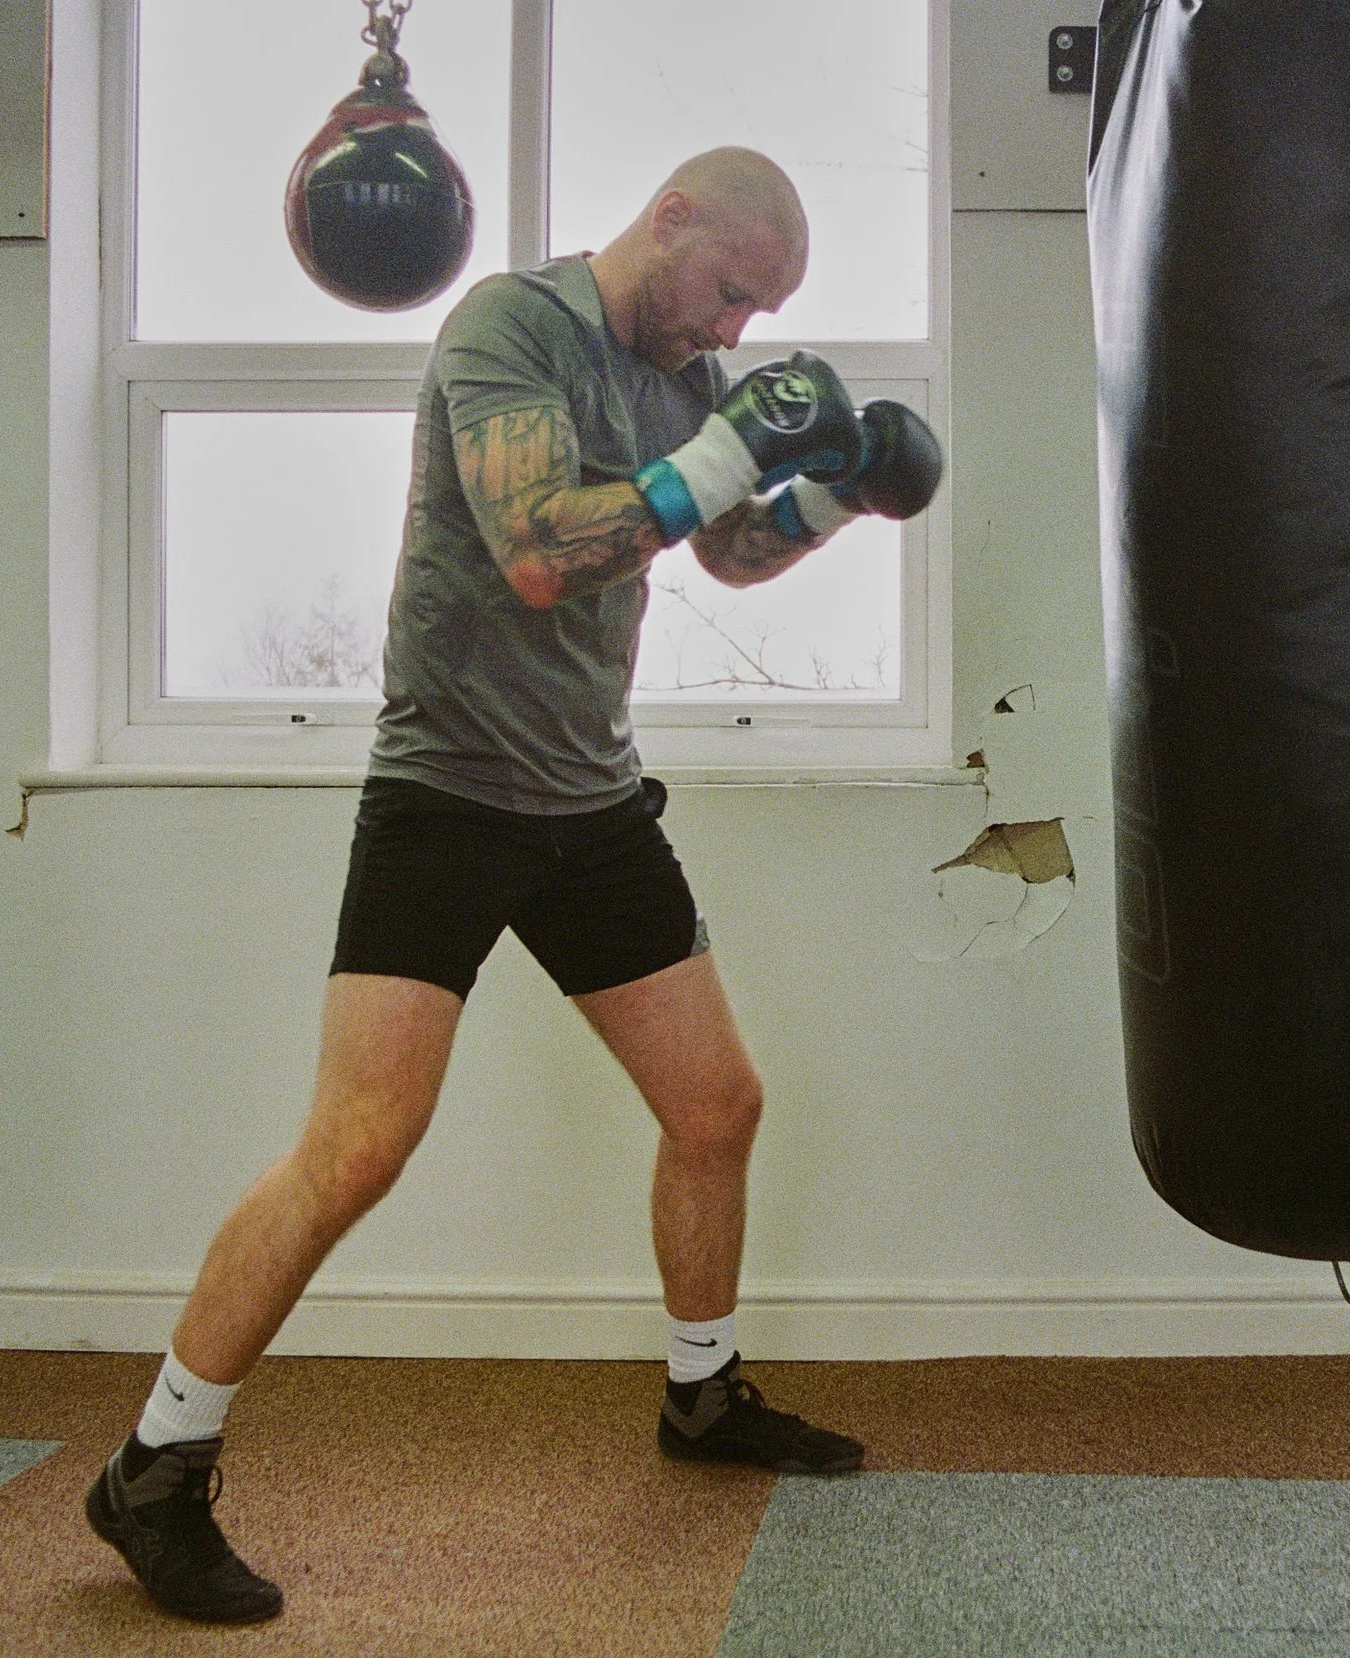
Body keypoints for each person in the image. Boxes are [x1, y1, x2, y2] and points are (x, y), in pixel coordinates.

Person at [83, 146, 942, 1626]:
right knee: (358, 1143)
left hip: (591, 802)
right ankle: (153, 1464)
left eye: (762, 313)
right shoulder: (511, 329)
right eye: (732, 290)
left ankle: (701, 1392)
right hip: (447, 794)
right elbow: (545, 549)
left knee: (717, 1105)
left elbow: (723, 549)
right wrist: (742, 448)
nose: (736, 330)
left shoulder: (681, 379)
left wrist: (841, 498)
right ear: (669, 222)